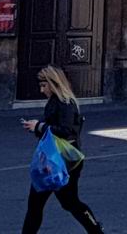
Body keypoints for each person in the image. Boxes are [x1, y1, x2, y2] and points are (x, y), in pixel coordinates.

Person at [21, 65, 104, 234]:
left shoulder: (66, 103)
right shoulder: (56, 102)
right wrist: (37, 127)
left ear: (53, 83)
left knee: (69, 202)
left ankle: (95, 230)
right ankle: (96, 230)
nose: (42, 90)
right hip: (52, 161)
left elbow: (67, 131)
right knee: (37, 204)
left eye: (44, 86)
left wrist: (40, 126)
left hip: (64, 162)